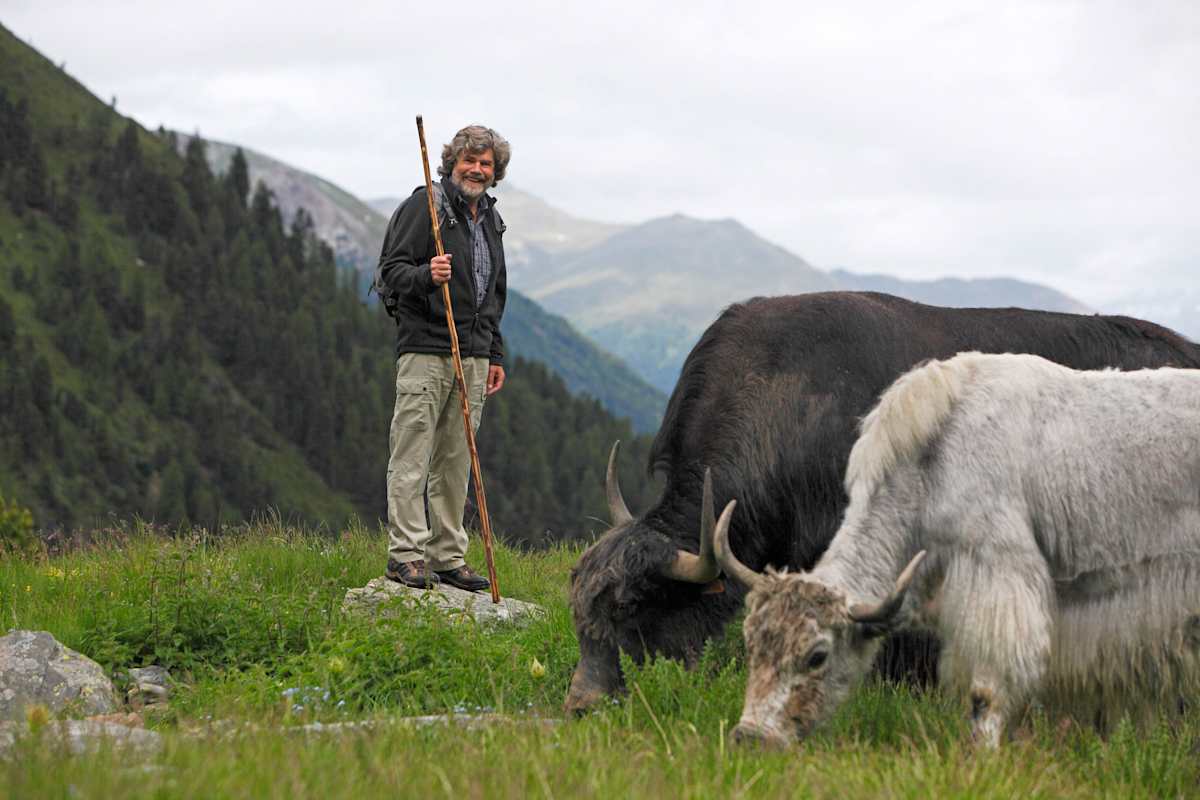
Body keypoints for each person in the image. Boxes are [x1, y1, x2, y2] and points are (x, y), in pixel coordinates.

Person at [376, 124, 510, 591]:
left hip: (473, 356)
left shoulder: (491, 219)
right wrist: (425, 275)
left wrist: (493, 353)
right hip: (426, 350)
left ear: (495, 172)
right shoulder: (426, 207)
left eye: (486, 163)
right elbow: (390, 272)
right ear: (452, 162)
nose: (477, 169)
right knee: (412, 453)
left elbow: (494, 294)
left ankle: (447, 556)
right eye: (469, 160)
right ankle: (405, 555)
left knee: (456, 460)